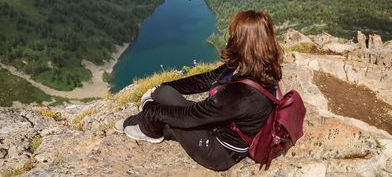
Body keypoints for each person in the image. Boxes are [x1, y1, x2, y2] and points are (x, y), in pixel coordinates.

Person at [114, 10, 283, 171]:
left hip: (219, 152)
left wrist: (149, 107)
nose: (230, 37)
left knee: (159, 104)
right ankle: (140, 119)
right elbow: (207, 79)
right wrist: (165, 86)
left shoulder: (240, 93)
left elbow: (190, 116)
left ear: (241, 42)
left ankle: (148, 130)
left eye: (233, 34)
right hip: (220, 124)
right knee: (162, 92)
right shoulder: (259, 69)